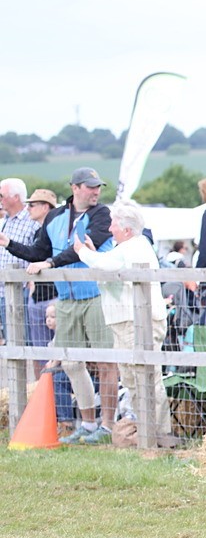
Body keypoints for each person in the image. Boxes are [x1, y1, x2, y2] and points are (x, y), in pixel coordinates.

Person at [0, 167, 118, 443]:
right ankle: (88, 425)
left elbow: (82, 248)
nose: (96, 191)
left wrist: (50, 263)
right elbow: (39, 253)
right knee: (71, 362)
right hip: (66, 299)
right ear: (75, 188)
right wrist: (9, 244)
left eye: (98, 186)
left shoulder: (101, 215)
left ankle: (108, 425)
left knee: (106, 362)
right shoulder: (55, 217)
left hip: (96, 294)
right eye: (90, 186)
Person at [73, 201, 176, 447]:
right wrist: (92, 253)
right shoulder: (127, 247)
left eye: (113, 224)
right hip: (125, 321)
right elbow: (107, 262)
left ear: (126, 229)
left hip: (138, 322)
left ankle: (159, 433)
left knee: (146, 376)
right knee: (132, 378)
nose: (110, 229)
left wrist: (82, 252)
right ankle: (147, 430)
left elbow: (107, 264)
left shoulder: (135, 246)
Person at [23, 189, 59, 368]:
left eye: (32, 205)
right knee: (40, 349)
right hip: (38, 295)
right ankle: (43, 390)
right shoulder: (39, 233)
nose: (27, 208)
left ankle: (59, 392)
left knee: (58, 349)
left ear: (45, 207)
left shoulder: (56, 233)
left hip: (53, 295)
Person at [0, 177, 37, 344]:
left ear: (15, 197)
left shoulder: (32, 223)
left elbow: (36, 253)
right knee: (12, 340)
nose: (0, 200)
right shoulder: (5, 222)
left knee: (26, 340)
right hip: (4, 290)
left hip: (22, 289)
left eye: (2, 195)